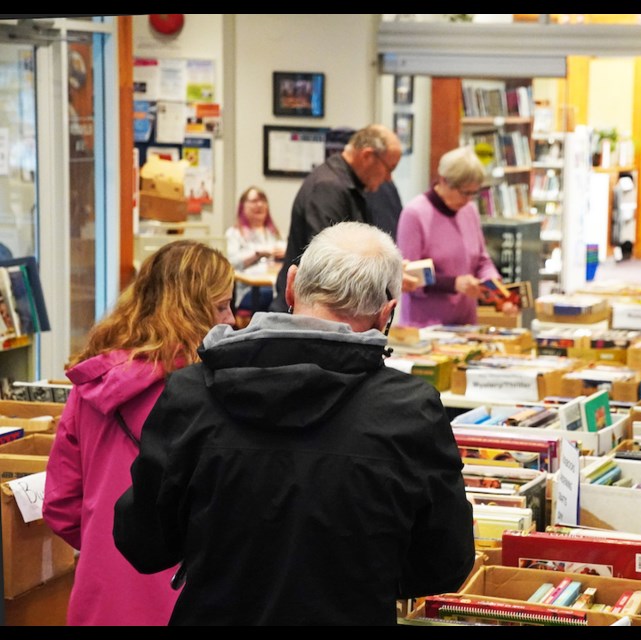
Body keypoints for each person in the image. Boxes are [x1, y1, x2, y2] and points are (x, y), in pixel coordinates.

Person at [113, 221, 476, 625]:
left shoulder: (191, 393)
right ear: (386, 314)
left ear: (291, 286)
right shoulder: (411, 411)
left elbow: (141, 542)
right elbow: (445, 563)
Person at [42, 241, 235, 626]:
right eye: (221, 306)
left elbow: (61, 504)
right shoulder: (217, 392)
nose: (231, 319)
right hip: (189, 600)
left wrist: (107, 548)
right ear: (191, 311)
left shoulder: (90, 385)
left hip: (99, 599)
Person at [269, 124, 403, 311]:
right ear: (367, 156)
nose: (389, 178)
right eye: (390, 168)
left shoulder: (348, 184)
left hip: (323, 308)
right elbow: (332, 265)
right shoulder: (328, 187)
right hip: (308, 311)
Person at [396, 145, 517, 327]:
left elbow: (481, 260)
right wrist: (454, 284)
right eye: (464, 192)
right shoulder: (414, 214)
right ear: (443, 181)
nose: (468, 199)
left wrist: (491, 282)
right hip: (425, 326)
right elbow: (408, 277)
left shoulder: (469, 211)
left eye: (474, 193)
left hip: (465, 323)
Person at [226, 186, 286, 313]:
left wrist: (284, 254)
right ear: (243, 206)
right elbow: (232, 263)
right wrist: (258, 253)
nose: (259, 205)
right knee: (276, 298)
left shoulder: (274, 232)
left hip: (273, 283)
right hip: (249, 289)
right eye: (254, 201)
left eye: (263, 201)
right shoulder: (234, 233)